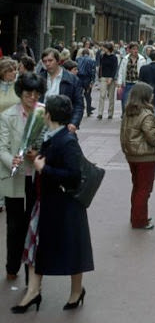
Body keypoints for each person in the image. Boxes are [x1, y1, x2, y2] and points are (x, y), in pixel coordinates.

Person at [11, 95, 93, 314]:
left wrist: (43, 168)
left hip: (65, 206)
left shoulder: (67, 141)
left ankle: (76, 291)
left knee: (72, 249)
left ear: (48, 115)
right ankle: (33, 291)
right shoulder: (52, 135)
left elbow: (74, 176)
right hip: (47, 202)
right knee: (35, 246)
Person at [0, 73, 46, 282]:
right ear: (21, 93)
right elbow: (2, 147)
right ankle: (12, 265)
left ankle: (32, 267)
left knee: (33, 222)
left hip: (36, 175)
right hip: (15, 175)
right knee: (14, 222)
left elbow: (49, 139)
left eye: (36, 93)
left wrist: (38, 152)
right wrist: (12, 161)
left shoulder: (43, 112)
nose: (33, 97)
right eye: (29, 93)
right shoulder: (7, 116)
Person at [120, 82, 155, 230]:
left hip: (131, 154)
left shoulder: (128, 111)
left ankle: (137, 215)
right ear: (146, 96)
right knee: (144, 189)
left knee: (137, 187)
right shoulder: (147, 114)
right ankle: (139, 220)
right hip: (145, 155)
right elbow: (152, 137)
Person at [39, 48, 84, 133]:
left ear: (58, 61)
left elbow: (78, 104)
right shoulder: (39, 78)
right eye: (44, 61)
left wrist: (74, 123)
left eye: (50, 60)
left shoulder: (72, 79)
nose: (47, 64)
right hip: (42, 126)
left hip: (63, 126)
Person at [117, 42, 147, 115]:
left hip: (137, 84)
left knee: (137, 103)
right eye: (133, 49)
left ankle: (134, 118)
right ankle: (125, 115)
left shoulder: (142, 59)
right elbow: (121, 71)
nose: (136, 51)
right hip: (127, 83)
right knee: (125, 102)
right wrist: (119, 83)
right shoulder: (125, 59)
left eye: (137, 49)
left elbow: (144, 72)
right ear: (129, 50)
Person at [138, 50, 155, 119]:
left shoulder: (143, 68)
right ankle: (154, 128)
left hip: (145, 94)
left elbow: (140, 82)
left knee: (145, 113)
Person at [96, 42, 118, 120]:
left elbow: (115, 68)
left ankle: (110, 113)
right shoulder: (102, 56)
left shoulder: (114, 57)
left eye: (104, 48)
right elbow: (101, 67)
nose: (103, 49)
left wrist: (111, 78)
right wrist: (100, 76)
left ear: (108, 49)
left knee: (111, 96)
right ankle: (100, 113)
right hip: (103, 77)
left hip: (111, 78)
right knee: (102, 95)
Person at [76, 49, 96, 117]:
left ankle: (80, 109)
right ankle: (88, 110)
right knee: (88, 95)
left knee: (79, 95)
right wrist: (92, 81)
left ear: (82, 54)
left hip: (79, 78)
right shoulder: (91, 60)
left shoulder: (78, 59)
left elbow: (76, 69)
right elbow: (93, 71)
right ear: (88, 54)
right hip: (87, 78)